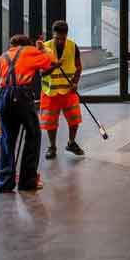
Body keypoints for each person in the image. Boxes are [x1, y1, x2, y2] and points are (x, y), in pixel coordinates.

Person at [0, 34, 58, 192]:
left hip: (3, 96)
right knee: (33, 135)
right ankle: (27, 181)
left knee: (7, 138)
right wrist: (43, 48)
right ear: (26, 44)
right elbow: (51, 62)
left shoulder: (2, 57)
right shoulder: (29, 50)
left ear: (12, 44)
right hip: (22, 95)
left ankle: (4, 182)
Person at [39, 20, 85, 159]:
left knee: (75, 119)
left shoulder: (73, 46)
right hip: (50, 92)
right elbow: (41, 73)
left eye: (62, 38)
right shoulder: (45, 47)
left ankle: (71, 143)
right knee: (50, 122)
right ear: (53, 34)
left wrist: (75, 82)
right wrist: (54, 66)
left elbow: (78, 67)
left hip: (69, 91)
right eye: (57, 38)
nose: (59, 41)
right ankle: (52, 147)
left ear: (66, 35)